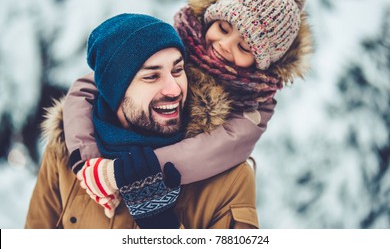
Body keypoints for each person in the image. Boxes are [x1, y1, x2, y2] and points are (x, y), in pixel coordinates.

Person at [60, 0, 312, 219]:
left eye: (244, 47)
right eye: (223, 28)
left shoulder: (254, 104)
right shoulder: (176, 46)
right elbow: (89, 87)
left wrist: (121, 174)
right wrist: (87, 161)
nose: (224, 45)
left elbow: (212, 150)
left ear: (262, 62)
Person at [25, 13, 260, 229]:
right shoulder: (64, 153)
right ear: (114, 89)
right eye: (151, 76)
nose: (174, 89)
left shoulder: (232, 178)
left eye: (178, 70)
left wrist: (162, 228)